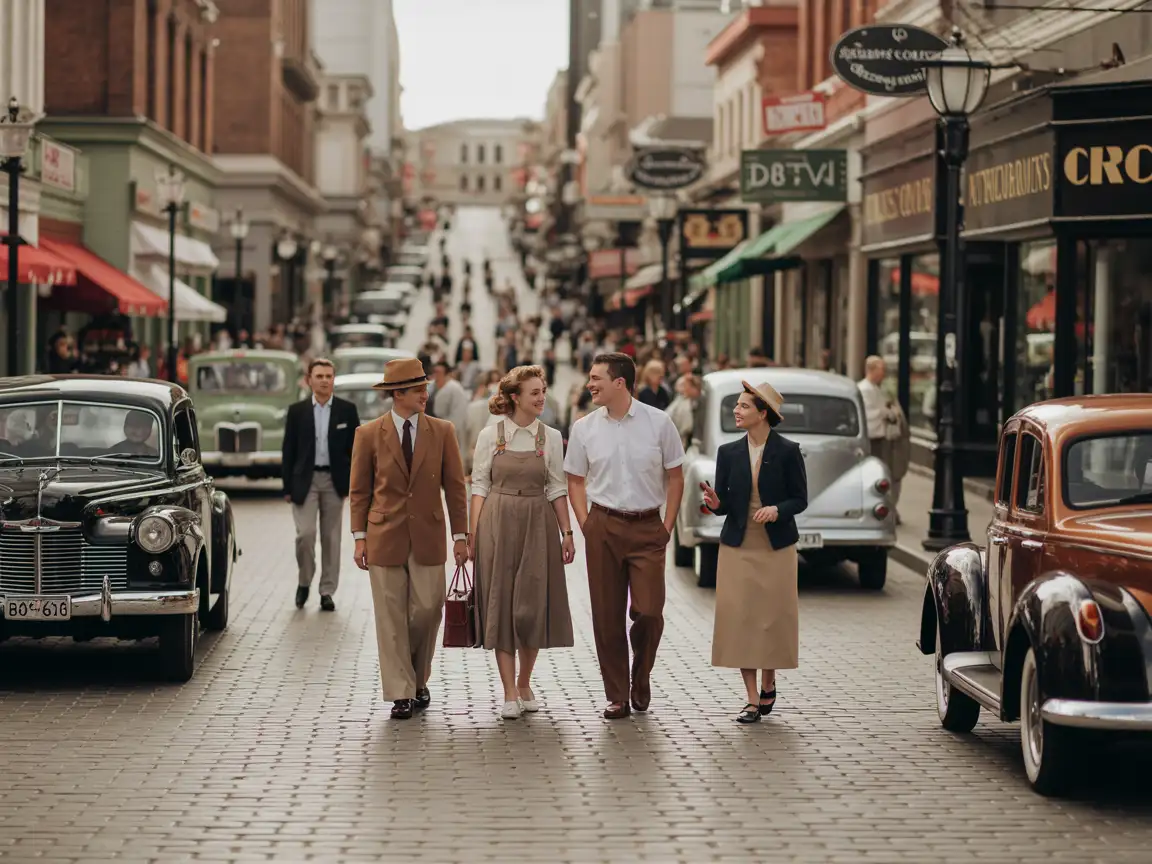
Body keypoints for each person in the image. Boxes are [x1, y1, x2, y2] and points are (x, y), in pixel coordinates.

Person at [564, 353, 685, 719]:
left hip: (648, 527)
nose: (590, 385)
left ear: (620, 383)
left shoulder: (660, 423)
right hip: (602, 526)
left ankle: (640, 674)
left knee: (649, 612)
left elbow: (676, 476)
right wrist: (586, 524)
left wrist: (666, 527)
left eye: (596, 378)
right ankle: (617, 694)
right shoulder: (584, 428)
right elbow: (574, 479)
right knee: (606, 615)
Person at [349, 357, 469, 720]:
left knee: (428, 610)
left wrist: (460, 536)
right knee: (390, 617)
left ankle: (418, 679)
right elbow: (359, 491)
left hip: (429, 535)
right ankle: (402, 693)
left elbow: (456, 487)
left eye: (425, 387)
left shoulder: (443, 431)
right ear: (397, 393)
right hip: (384, 536)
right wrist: (359, 537)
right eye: (418, 389)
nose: (425, 393)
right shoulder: (368, 434)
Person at [469, 366, 575, 720]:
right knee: (501, 605)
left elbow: (557, 487)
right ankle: (509, 691)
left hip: (537, 522)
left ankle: (525, 680)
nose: (541, 397)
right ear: (515, 397)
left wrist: (568, 532)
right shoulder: (490, 435)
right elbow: (479, 484)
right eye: (534, 393)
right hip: (497, 521)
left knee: (531, 606)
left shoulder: (551, 437)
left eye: (543, 391)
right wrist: (473, 535)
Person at [701, 381, 808, 724]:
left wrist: (777, 509)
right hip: (738, 545)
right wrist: (716, 504)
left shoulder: (789, 451)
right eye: (736, 405)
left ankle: (769, 680)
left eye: (744, 406)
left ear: (763, 414)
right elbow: (725, 503)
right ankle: (750, 699)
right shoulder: (728, 452)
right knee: (741, 619)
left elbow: (800, 499)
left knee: (772, 618)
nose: (736, 411)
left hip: (775, 547)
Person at [282, 359, 362, 612]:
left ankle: (327, 590)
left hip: (334, 482)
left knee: (331, 538)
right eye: (319, 376)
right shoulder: (297, 411)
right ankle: (304, 580)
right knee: (305, 535)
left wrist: (355, 484)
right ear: (309, 380)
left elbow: (357, 451)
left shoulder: (347, 411)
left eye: (329, 375)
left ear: (334, 379)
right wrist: (286, 486)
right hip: (305, 482)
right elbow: (288, 450)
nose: (324, 380)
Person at [857, 355, 908, 520]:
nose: (883, 374)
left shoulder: (876, 389)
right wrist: (889, 413)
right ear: (871, 370)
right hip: (874, 439)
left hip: (881, 438)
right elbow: (873, 414)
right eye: (881, 370)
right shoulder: (865, 389)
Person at [429, 362, 468, 454]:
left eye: (438, 372)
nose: (436, 374)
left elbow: (439, 411)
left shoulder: (451, 387)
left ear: (447, 374)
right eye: (434, 372)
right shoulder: (433, 386)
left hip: (451, 426)